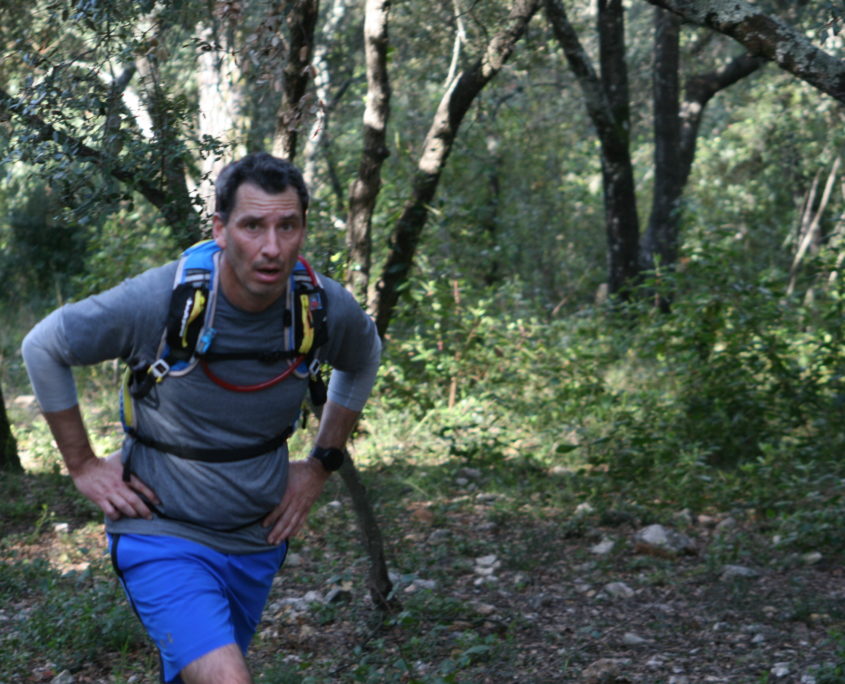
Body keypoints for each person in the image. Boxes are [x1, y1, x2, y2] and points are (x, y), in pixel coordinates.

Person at [21, 153, 381, 684]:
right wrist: (83, 465)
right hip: (160, 532)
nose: (272, 247)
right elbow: (43, 346)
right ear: (220, 229)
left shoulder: (320, 307)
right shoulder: (160, 300)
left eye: (287, 226)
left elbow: (364, 356)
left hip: (256, 540)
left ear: (303, 229)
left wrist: (320, 463)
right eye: (252, 226)